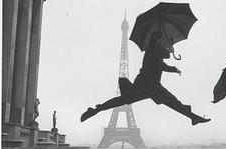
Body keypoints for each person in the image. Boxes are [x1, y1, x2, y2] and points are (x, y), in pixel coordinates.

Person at [81, 31, 210, 125]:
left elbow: (160, 65)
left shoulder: (154, 50)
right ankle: (193, 116)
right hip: (150, 86)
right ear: (157, 40)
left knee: (123, 100)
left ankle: (97, 109)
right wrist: (170, 50)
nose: (163, 42)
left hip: (146, 86)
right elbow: (162, 57)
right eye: (161, 40)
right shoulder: (153, 49)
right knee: (174, 103)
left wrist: (173, 69)